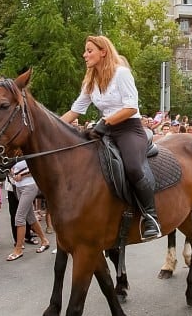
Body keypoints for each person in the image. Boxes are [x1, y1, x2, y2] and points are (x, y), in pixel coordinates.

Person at [60, 35, 161, 239]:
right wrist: (52, 127)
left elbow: (131, 107)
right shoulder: (90, 82)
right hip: (106, 130)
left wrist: (105, 123)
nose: (84, 55)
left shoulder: (121, 74)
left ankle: (151, 216)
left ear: (103, 52)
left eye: (89, 51)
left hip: (129, 129)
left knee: (132, 166)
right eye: (85, 51)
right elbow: (74, 112)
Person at [4, 160, 50, 261]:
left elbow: (37, 167)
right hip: (18, 187)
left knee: (19, 217)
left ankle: (18, 249)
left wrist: (22, 175)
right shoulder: (14, 154)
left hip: (30, 186)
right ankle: (44, 240)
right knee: (30, 217)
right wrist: (11, 172)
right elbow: (10, 168)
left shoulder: (27, 149)